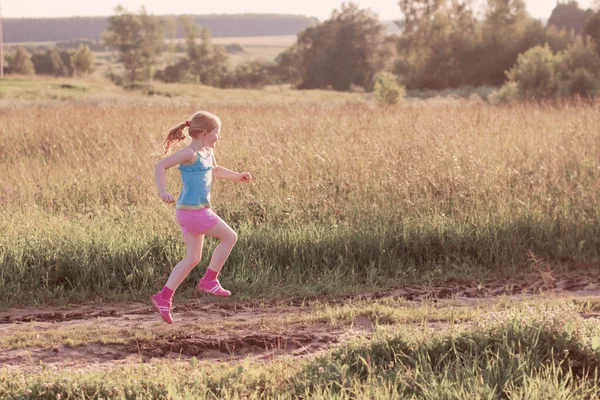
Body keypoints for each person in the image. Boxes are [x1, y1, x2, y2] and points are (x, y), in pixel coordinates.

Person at [151, 111, 252, 324]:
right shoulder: (189, 153)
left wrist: (237, 176)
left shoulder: (206, 152)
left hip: (190, 212)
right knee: (230, 237)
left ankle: (163, 297)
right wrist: (163, 191)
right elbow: (160, 166)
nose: (219, 138)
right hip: (194, 211)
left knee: (192, 258)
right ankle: (209, 280)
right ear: (204, 133)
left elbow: (214, 171)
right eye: (217, 133)